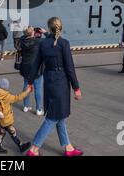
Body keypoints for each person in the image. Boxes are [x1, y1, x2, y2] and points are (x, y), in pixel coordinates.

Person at [27, 17, 83, 157]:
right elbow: (70, 68)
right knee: (53, 117)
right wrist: (76, 88)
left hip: (49, 80)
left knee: (60, 115)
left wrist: (29, 82)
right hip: (61, 82)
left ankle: (68, 148)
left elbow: (36, 64)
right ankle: (34, 149)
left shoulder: (43, 43)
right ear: (60, 27)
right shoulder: (64, 43)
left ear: (49, 27)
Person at [0, 78, 32, 154]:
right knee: (13, 132)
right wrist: (27, 91)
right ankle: (21, 146)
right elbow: (17, 97)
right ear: (6, 87)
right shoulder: (6, 96)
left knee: (2, 132)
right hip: (6, 119)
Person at [19, 26, 44, 116]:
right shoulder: (38, 41)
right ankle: (38, 109)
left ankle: (26, 106)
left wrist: (28, 32)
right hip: (36, 68)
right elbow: (50, 39)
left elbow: (23, 37)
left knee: (26, 86)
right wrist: (44, 32)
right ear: (32, 32)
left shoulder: (22, 41)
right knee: (38, 88)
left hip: (25, 67)